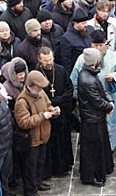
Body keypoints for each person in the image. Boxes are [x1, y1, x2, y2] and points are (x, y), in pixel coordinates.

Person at [71, 30, 116, 151]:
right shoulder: (82, 59)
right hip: (89, 100)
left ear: (106, 44)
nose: (98, 48)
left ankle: (110, 146)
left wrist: (114, 76)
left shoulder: (114, 57)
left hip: (109, 96)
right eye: (95, 45)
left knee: (110, 123)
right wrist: (76, 97)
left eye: (100, 45)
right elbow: (74, 79)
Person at [14, 71, 60, 195]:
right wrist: (42, 116)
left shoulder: (40, 93)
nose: (41, 89)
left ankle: (38, 183)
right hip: (32, 140)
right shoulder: (22, 101)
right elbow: (23, 123)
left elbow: (48, 104)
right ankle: (30, 191)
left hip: (43, 136)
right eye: (39, 87)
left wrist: (53, 110)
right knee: (30, 168)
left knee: (40, 163)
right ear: (31, 85)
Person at [77, 48, 115, 187]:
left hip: (96, 117)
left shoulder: (91, 74)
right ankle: (90, 176)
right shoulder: (86, 79)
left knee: (100, 145)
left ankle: (103, 169)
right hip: (91, 119)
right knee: (92, 149)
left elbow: (102, 90)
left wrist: (110, 101)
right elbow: (97, 100)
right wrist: (109, 106)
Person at [37, 47, 74, 178]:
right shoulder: (37, 74)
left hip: (62, 112)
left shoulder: (60, 70)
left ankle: (64, 165)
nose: (49, 63)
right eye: (45, 60)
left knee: (63, 139)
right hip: (47, 114)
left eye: (50, 59)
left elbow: (69, 89)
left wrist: (60, 102)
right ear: (39, 60)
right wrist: (51, 104)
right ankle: (53, 169)